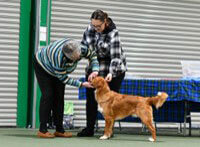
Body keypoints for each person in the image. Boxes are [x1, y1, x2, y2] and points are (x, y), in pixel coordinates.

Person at [33, 38, 99, 138]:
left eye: (79, 57)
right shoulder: (58, 58)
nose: (78, 59)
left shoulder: (81, 49)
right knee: (48, 95)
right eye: (75, 59)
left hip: (57, 68)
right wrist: (81, 84)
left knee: (60, 96)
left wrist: (95, 70)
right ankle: (42, 130)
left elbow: (93, 55)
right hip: (42, 65)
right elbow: (63, 78)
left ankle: (59, 130)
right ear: (68, 56)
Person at [77, 9, 127, 137]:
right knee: (91, 99)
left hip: (113, 67)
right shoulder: (89, 29)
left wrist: (111, 73)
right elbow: (84, 49)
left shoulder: (113, 33)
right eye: (94, 25)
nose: (96, 28)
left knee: (110, 101)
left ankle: (109, 131)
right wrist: (91, 67)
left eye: (98, 26)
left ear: (105, 22)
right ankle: (89, 129)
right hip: (94, 66)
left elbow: (116, 57)